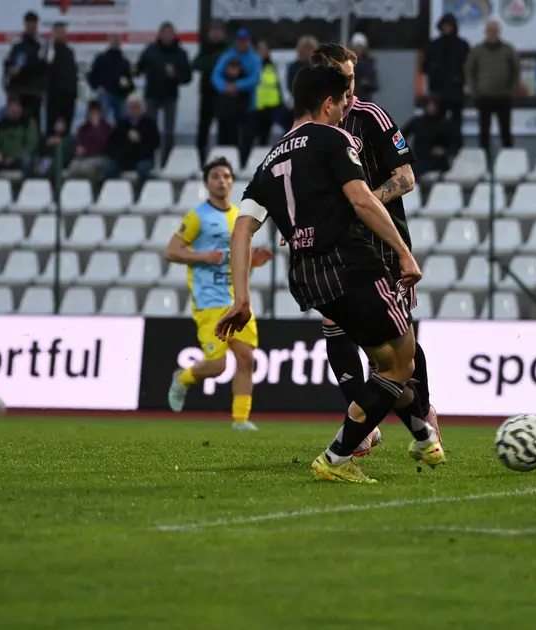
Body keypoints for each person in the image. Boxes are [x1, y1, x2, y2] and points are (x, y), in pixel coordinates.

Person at [217, 65, 443, 483]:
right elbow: (360, 200)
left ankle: (415, 434)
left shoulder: (272, 156)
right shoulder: (333, 137)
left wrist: (242, 299)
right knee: (402, 362)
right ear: (327, 104)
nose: (345, 110)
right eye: (341, 103)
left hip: (307, 278)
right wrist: (403, 253)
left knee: (384, 364)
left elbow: (243, 228)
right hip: (351, 264)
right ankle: (339, 456)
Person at [310, 42, 441, 455]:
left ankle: (423, 413)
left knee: (395, 339)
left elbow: (406, 177)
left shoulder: (371, 118)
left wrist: (363, 204)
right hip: (336, 247)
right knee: (334, 324)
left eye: (350, 75)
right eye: (339, 76)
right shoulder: (313, 126)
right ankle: (362, 424)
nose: (348, 84)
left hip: (381, 244)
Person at [166, 157, 271, 430]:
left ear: (232, 181)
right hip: (209, 300)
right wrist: (202, 256)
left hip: (237, 297)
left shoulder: (239, 216)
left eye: (226, 175)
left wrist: (252, 263)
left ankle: (240, 420)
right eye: (215, 176)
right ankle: (183, 379)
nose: (221, 180)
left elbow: (237, 259)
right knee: (217, 365)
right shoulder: (197, 216)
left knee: (247, 357)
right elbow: (172, 250)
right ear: (206, 182)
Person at [136, 21, 193, 160]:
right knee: (150, 129)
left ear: (174, 35)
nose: (168, 37)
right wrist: (135, 70)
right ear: (160, 34)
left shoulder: (180, 53)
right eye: (165, 33)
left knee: (169, 132)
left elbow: (187, 77)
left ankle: (167, 160)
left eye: (170, 34)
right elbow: (139, 68)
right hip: (152, 95)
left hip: (170, 96)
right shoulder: (150, 50)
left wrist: (176, 75)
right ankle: (148, 158)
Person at [466, 20, 519, 151]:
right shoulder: (477, 51)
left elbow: (516, 70)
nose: (492, 34)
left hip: (503, 96)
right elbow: (469, 71)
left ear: (499, 32)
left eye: (495, 31)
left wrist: (512, 90)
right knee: (484, 132)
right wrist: (474, 91)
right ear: (486, 33)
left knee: (505, 132)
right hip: (484, 96)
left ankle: (509, 160)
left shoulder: (508, 50)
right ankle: (484, 160)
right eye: (490, 31)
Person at [211, 28, 261, 164]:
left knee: (247, 136)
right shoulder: (227, 56)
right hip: (227, 106)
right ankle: (224, 162)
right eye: (239, 41)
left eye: (244, 41)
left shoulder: (254, 58)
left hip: (247, 105)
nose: (242, 44)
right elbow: (215, 75)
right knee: (226, 135)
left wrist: (237, 86)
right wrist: (224, 87)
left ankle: (244, 163)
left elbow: (255, 78)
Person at [423, 13, 470, 151]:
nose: (447, 28)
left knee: (456, 124)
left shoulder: (462, 45)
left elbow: (468, 67)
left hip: (456, 92)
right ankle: (437, 151)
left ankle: (457, 150)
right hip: (438, 92)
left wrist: (462, 80)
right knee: (436, 124)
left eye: (449, 26)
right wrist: (433, 73)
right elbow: (425, 67)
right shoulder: (434, 45)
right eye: (444, 26)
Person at [193, 19, 229, 163]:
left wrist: (214, 65)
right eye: (213, 31)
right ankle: (200, 158)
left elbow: (229, 65)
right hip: (207, 93)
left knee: (224, 127)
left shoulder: (227, 48)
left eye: (218, 31)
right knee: (203, 128)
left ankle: (223, 158)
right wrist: (215, 63)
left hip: (222, 94)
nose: (215, 34)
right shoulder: (205, 47)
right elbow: (196, 64)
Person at [0, 97, 38, 183]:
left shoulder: (28, 123)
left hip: (19, 159)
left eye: (17, 107)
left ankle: (26, 189)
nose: (14, 111)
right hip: (3, 159)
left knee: (27, 161)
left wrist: (14, 157)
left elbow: (31, 145)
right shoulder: (1, 124)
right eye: (12, 108)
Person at [3, 11, 48, 128]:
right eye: (29, 25)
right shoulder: (17, 47)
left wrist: (24, 68)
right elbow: (8, 65)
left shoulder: (41, 47)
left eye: (34, 25)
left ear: (37, 26)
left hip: (35, 93)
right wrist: (11, 70)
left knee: (34, 126)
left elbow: (43, 69)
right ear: (25, 25)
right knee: (18, 125)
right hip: (19, 92)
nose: (31, 28)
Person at [104, 96, 160, 189]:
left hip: (143, 157)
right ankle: (110, 192)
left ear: (142, 109)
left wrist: (141, 139)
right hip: (125, 157)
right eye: (131, 107)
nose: (133, 110)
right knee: (110, 169)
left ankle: (140, 194)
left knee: (143, 169)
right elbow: (112, 142)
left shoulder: (150, 123)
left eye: (136, 107)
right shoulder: (122, 123)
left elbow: (156, 143)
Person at [87, 34, 134, 124]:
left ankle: (121, 138)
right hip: (105, 94)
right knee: (101, 122)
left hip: (120, 96)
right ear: (109, 41)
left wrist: (127, 86)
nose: (116, 42)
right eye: (114, 39)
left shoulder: (124, 61)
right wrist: (97, 87)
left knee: (122, 123)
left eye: (118, 39)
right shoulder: (101, 58)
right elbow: (92, 74)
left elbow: (129, 80)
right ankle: (101, 138)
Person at [402, 98, 455, 178]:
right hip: (419, 159)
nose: (431, 108)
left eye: (434, 105)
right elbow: (400, 136)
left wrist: (445, 151)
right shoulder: (417, 122)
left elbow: (454, 143)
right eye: (429, 105)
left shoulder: (445, 124)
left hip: (437, 161)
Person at [45, 21, 78, 135]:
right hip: (53, 96)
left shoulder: (69, 52)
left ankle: (65, 150)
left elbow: (73, 74)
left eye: (62, 31)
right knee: (52, 128)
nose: (60, 34)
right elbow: (45, 66)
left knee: (66, 128)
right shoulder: (48, 50)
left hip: (68, 97)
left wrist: (74, 92)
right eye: (57, 31)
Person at [66, 100, 112, 178]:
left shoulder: (107, 128)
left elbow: (103, 144)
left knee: (86, 169)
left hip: (100, 157)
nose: (92, 115)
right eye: (90, 112)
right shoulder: (83, 128)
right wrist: (79, 148)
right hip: (84, 158)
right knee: (72, 168)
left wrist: (96, 128)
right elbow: (78, 141)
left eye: (95, 112)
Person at [254, 41, 283, 145]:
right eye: (260, 50)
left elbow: (278, 85)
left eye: (264, 49)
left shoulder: (272, 66)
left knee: (265, 137)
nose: (262, 52)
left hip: (271, 106)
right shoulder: (253, 65)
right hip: (256, 106)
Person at [349, 33, 378, 102]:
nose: (359, 49)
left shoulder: (369, 63)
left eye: (361, 46)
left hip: (365, 100)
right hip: (352, 100)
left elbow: (375, 83)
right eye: (357, 46)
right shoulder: (348, 62)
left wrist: (367, 84)